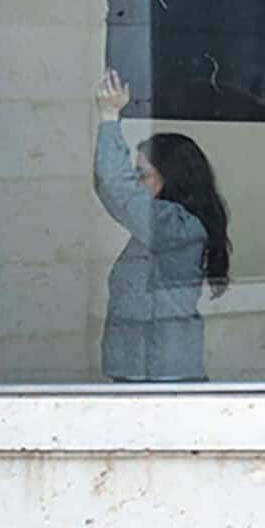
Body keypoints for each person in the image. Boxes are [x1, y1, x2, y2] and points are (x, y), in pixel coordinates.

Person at [92, 69, 231, 383]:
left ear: (172, 176)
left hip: (162, 379)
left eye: (143, 174)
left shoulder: (174, 226)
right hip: (145, 374)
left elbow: (115, 186)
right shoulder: (163, 226)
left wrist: (109, 116)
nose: (137, 183)